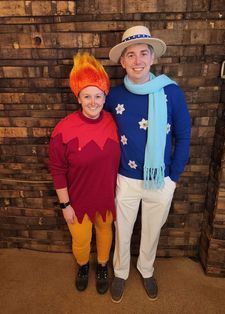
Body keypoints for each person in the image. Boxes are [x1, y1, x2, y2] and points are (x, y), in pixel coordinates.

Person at [105, 25, 191, 302]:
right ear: (122, 61)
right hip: (126, 179)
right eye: (131, 55)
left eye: (144, 54)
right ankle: (120, 272)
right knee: (123, 230)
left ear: (153, 59)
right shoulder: (113, 97)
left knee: (152, 230)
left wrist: (173, 177)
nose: (137, 60)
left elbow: (184, 134)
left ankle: (146, 268)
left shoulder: (171, 93)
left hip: (160, 180)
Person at [48, 53, 120, 294]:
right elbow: (57, 169)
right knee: (80, 241)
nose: (93, 102)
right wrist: (65, 204)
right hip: (76, 201)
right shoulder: (63, 129)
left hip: (106, 198)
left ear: (104, 97)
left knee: (104, 234)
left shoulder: (113, 121)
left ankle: (101, 266)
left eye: (98, 96)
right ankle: (82, 266)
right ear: (78, 97)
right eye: (87, 96)